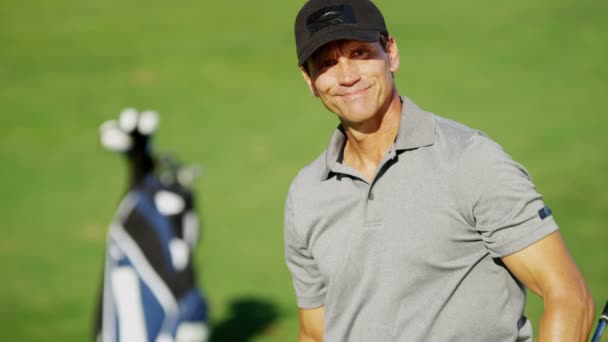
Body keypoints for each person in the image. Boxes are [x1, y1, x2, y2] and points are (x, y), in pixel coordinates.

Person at [283, 0, 595, 341]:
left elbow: (568, 294)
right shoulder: (307, 194)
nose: (347, 76)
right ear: (310, 80)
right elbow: (315, 332)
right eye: (327, 63)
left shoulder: (471, 162)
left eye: (360, 53)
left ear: (391, 52)